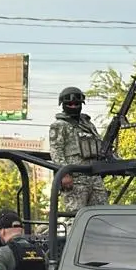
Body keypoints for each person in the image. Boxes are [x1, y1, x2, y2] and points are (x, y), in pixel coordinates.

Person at [48, 86, 109, 215]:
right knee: (76, 217)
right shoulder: (59, 125)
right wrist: (64, 173)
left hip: (94, 176)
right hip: (75, 179)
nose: (74, 106)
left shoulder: (87, 124)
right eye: (70, 103)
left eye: (77, 103)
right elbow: (56, 151)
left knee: (101, 215)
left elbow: (99, 144)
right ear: (63, 105)